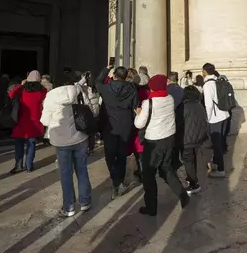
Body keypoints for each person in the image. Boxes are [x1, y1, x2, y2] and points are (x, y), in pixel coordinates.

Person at [134, 74, 189, 216]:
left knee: (149, 175)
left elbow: (139, 124)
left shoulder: (148, 103)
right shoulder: (169, 98)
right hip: (169, 139)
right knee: (166, 169)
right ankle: (183, 195)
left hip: (154, 142)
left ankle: (151, 207)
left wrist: (138, 113)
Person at [40, 84, 92, 217]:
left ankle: (69, 207)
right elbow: (90, 110)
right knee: (82, 170)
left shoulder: (50, 97)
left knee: (65, 174)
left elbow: (45, 121)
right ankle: (85, 202)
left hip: (61, 141)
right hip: (80, 137)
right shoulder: (78, 91)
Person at [96, 65, 138, 199]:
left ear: (114, 76)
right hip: (125, 124)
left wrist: (106, 68)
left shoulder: (107, 88)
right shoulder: (132, 88)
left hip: (111, 126)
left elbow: (98, 82)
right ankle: (119, 180)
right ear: (126, 76)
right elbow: (135, 105)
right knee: (122, 154)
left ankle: (116, 180)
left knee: (110, 154)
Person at [8, 70, 47, 174]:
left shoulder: (22, 90)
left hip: (21, 121)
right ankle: (29, 166)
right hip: (35, 122)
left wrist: (21, 85)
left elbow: (11, 94)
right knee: (32, 144)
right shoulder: (43, 91)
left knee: (19, 144)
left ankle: (18, 165)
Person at [202, 63, 230, 177]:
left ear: (204, 71)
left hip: (215, 118)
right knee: (221, 141)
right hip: (225, 114)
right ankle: (216, 163)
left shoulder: (207, 85)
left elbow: (208, 104)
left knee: (217, 144)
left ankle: (221, 170)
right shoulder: (218, 81)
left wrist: (207, 119)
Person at [181, 86, 209, 194]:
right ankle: (190, 178)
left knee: (188, 160)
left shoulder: (184, 106)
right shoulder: (199, 104)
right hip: (198, 138)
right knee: (193, 159)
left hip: (187, 139)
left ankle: (194, 184)